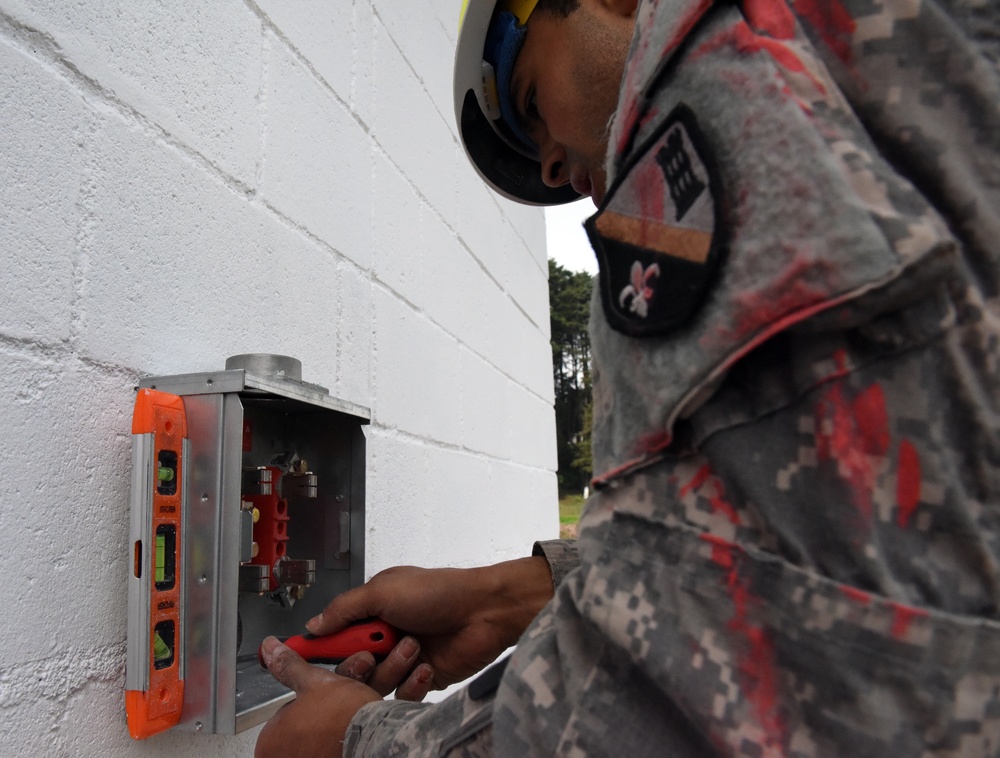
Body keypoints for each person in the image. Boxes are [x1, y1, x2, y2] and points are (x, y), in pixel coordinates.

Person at [257, 0, 1000, 754]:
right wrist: (509, 595)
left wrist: (354, 741)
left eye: (529, 101)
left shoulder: (711, 79)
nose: (550, 166)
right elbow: (831, 515)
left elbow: (674, 688)